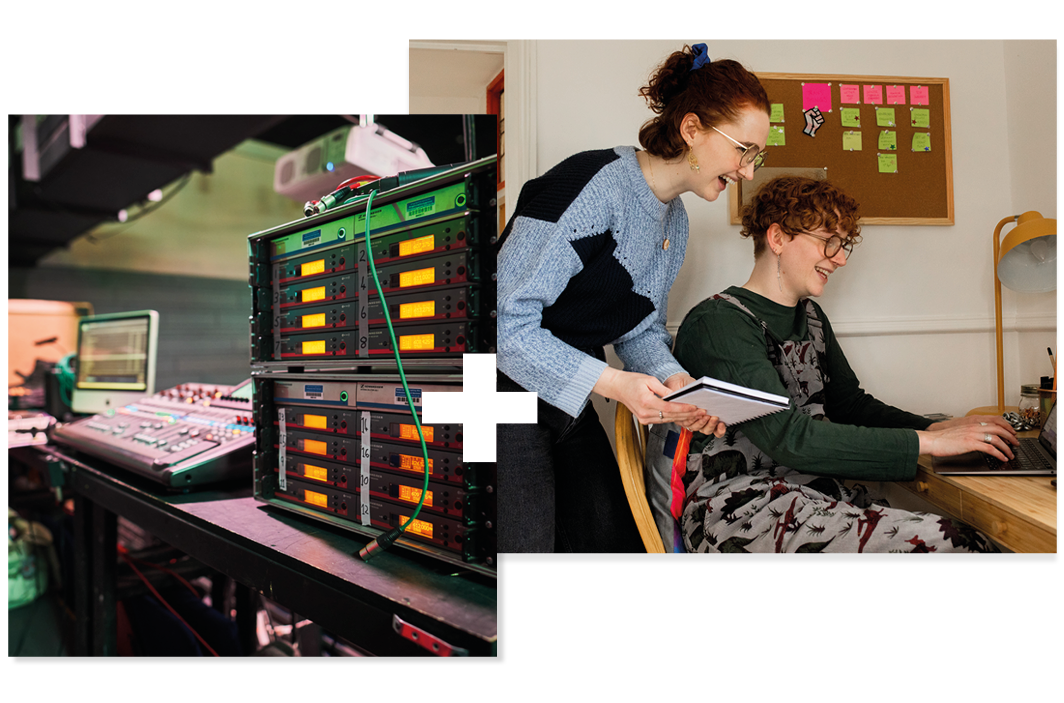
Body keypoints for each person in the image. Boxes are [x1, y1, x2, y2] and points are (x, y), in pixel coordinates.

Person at [496, 43, 772, 553]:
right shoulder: (588, 186)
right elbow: (504, 327)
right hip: (492, 391)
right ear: (692, 129)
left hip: (561, 397)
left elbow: (639, 327)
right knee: (523, 548)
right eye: (744, 150)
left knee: (613, 544)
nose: (748, 171)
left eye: (757, 156)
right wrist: (617, 384)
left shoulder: (675, 222)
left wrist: (677, 382)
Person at [647, 175, 1018, 554]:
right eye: (829, 241)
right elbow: (790, 439)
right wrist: (932, 443)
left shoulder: (811, 317)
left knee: (968, 540)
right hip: (739, 508)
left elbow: (849, 405)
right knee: (954, 544)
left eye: (843, 245)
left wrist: (934, 426)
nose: (840, 258)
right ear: (778, 238)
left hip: (814, 491)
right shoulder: (718, 323)